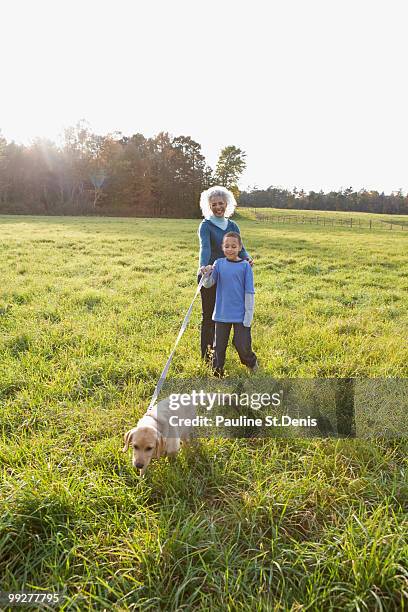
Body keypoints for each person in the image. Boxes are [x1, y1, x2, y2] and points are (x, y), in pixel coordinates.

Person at [197, 186, 253, 362]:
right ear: (209, 206)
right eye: (214, 204)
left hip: (230, 278)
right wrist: (203, 267)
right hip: (211, 276)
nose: (218, 207)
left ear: (227, 204)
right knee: (209, 316)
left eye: (221, 203)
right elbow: (205, 248)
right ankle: (208, 355)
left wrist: (248, 258)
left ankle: (231, 350)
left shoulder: (233, 225)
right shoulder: (206, 225)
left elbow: (239, 247)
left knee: (228, 315)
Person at [201, 231, 258, 377]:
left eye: (233, 246)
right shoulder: (219, 264)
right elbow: (208, 284)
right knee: (218, 346)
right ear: (222, 247)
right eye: (227, 246)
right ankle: (217, 372)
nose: (230, 249)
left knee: (241, 344)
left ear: (240, 247)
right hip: (221, 314)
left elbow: (249, 292)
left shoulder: (245, 267)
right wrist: (206, 274)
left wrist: (248, 315)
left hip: (240, 315)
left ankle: (251, 362)